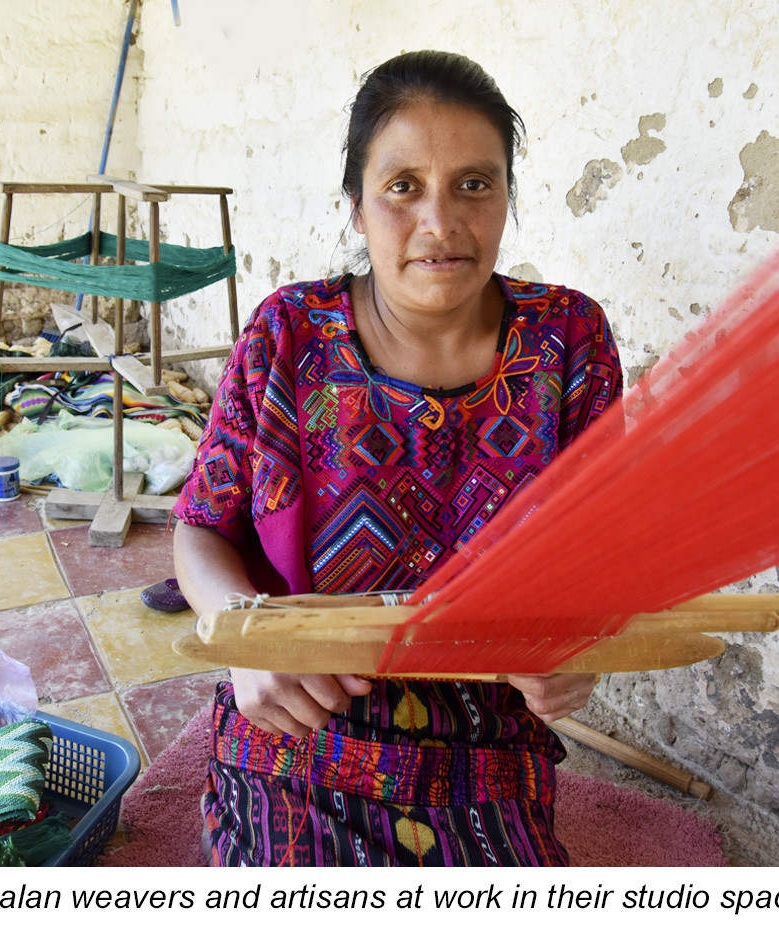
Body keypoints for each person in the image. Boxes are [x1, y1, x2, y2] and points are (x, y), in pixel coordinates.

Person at [172, 51, 624, 866]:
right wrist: (244, 641)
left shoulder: (568, 342)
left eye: (474, 185)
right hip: (302, 712)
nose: (441, 224)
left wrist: (577, 655)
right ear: (356, 206)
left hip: (484, 735)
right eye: (403, 186)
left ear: (507, 199)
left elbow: (595, 551)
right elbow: (200, 530)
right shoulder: (287, 337)